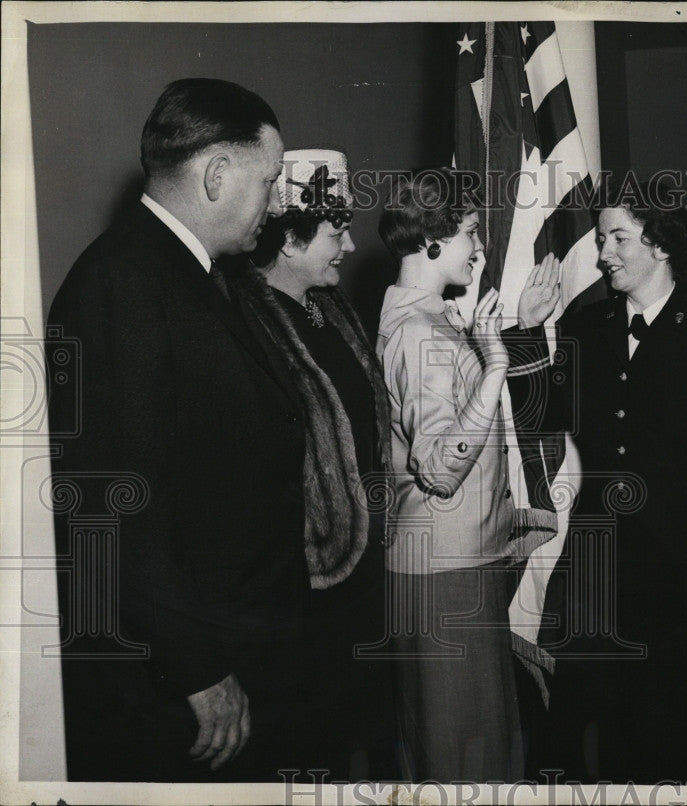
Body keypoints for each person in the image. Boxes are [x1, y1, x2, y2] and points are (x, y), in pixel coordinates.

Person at [45, 78, 311, 781]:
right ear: (218, 175)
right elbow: (112, 505)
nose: (279, 202)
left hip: (234, 648)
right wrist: (198, 670)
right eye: (270, 180)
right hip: (187, 684)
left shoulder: (184, 274)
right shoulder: (121, 283)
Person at [504, 180, 687, 782]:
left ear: (660, 245)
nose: (603, 253)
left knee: (671, 739)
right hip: (598, 570)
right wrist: (526, 332)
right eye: (601, 238)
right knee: (575, 737)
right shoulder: (588, 324)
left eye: (617, 238)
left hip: (681, 571)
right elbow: (541, 416)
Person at [375, 169, 558, 782]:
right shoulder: (417, 331)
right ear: (432, 240)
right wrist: (496, 367)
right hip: (445, 576)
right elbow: (443, 467)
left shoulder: (425, 320)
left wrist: (504, 335)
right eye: (471, 231)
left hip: (454, 567)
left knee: (467, 748)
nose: (479, 247)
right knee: (461, 761)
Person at [227, 149, 397, 778]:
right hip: (299, 591)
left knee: (371, 737)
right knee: (309, 747)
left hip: (364, 574)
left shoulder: (334, 308)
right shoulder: (242, 322)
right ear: (291, 239)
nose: (349, 246)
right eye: (335, 232)